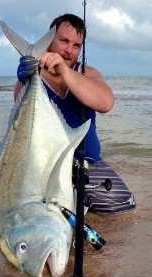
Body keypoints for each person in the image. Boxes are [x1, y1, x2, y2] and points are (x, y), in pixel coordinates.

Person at [14, 13, 136, 214]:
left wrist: (63, 70)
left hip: (88, 165)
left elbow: (105, 103)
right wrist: (26, 81)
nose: (69, 50)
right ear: (50, 39)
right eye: (63, 41)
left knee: (124, 208)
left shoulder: (89, 74)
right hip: (45, 168)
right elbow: (20, 122)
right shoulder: (30, 76)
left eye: (76, 45)